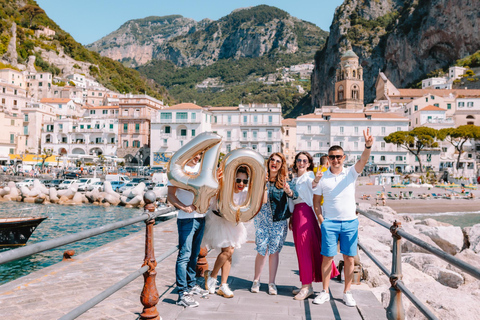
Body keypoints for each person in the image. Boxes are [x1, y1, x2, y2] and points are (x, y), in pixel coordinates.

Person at [312, 128, 373, 307]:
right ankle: (324, 292)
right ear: (328, 158)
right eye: (332, 157)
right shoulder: (322, 178)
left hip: (350, 222)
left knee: (349, 258)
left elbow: (363, 160)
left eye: (339, 157)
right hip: (329, 223)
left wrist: (368, 146)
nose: (336, 160)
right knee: (327, 258)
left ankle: (347, 292)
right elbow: (316, 202)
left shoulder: (351, 173)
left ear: (344, 158)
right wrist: (322, 221)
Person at [289, 152, 339, 300]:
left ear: (309, 163)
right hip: (297, 214)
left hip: (305, 213)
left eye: (305, 160)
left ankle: (307, 287)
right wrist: (291, 216)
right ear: (296, 162)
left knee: (304, 249)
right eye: (299, 160)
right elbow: (292, 199)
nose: (301, 162)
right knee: (302, 250)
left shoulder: (310, 176)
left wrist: (317, 179)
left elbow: (314, 184)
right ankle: (306, 283)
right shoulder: (295, 178)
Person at [251, 152, 297, 295]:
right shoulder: (260, 177)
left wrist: (288, 191)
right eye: (272, 160)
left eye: (278, 161)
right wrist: (262, 183)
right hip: (262, 219)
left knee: (274, 251)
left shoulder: (285, 179)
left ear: (281, 165)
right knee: (261, 249)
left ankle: (272, 283)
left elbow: (294, 194)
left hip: (278, 219)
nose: (274, 163)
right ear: (268, 162)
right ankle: (256, 280)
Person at [167, 153, 209, 308]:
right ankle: (182, 294)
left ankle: (191, 286)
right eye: (195, 154)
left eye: (200, 154)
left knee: (194, 254)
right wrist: (184, 207)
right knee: (184, 255)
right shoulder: (177, 170)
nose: (197, 157)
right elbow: (170, 195)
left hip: (201, 217)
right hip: (186, 219)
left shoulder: (202, 168)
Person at [203, 166, 249, 298]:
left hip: (233, 224)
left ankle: (222, 284)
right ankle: (212, 277)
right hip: (218, 221)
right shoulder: (223, 188)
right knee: (228, 251)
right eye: (238, 180)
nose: (241, 184)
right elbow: (212, 201)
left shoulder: (245, 193)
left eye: (244, 181)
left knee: (229, 253)